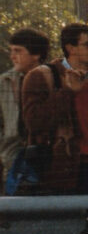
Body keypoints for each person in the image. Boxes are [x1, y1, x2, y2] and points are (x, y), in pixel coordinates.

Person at [19, 23, 88, 195]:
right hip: (61, 170)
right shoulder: (42, 76)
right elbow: (34, 123)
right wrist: (67, 92)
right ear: (70, 48)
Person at [0, 28, 49, 187]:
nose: (12, 56)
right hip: (11, 159)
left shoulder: (51, 79)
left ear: (36, 54)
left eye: (18, 51)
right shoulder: (5, 82)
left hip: (45, 160)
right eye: (11, 51)